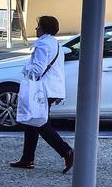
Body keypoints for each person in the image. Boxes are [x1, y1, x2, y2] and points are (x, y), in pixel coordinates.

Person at [10, 15, 73, 173]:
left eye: (38, 26)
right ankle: (27, 158)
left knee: (40, 123)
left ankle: (66, 151)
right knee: (33, 122)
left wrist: (25, 69)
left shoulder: (43, 44)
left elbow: (37, 69)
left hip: (41, 90)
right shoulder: (55, 44)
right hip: (51, 89)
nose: (36, 29)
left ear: (44, 28)